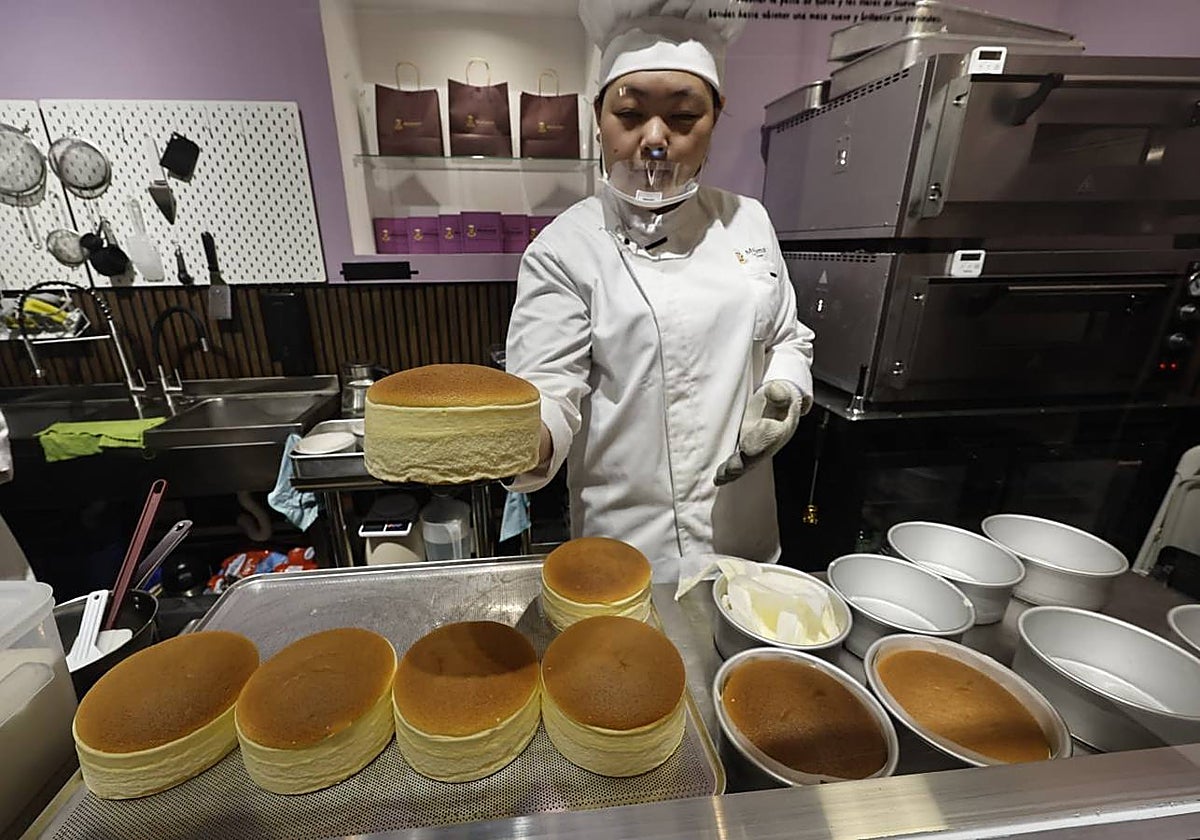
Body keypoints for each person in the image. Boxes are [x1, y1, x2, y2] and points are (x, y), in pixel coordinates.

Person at [505, 0, 815, 582]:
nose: (654, 140)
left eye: (682, 117)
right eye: (629, 114)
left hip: (742, 540)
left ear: (716, 117)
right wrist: (520, 442)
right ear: (596, 116)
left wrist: (783, 390)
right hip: (623, 550)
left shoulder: (749, 221)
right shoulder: (564, 249)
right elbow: (548, 388)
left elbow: (787, 336)